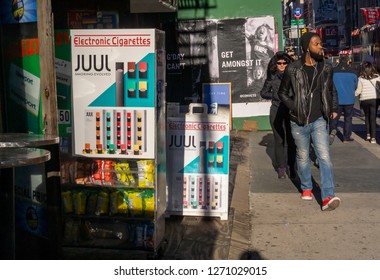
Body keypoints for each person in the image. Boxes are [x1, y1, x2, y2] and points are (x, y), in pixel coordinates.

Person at [278, 32, 340, 211]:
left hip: (319, 118)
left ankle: (328, 196)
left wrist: (333, 108)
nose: (321, 47)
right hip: (298, 120)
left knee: (324, 156)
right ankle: (306, 187)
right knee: (303, 156)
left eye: (321, 44)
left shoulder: (326, 68)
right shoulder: (293, 69)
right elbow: (282, 92)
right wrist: (294, 106)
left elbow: (331, 90)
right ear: (307, 47)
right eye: (316, 44)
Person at [260, 51, 296, 179]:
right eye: (279, 63)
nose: (281, 65)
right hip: (276, 110)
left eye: (284, 63)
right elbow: (263, 93)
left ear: (288, 64)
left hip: (290, 111)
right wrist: (276, 96)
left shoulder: (293, 77)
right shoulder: (272, 77)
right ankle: (281, 167)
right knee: (279, 140)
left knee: (291, 140)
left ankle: (292, 167)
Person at [329, 55, 358, 144]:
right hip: (349, 99)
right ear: (348, 62)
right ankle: (346, 137)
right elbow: (355, 86)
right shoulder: (353, 72)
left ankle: (332, 130)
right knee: (348, 118)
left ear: (338, 61)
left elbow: (330, 85)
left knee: (334, 117)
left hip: (336, 99)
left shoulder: (333, 72)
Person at [355, 56, 380, 144]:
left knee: (367, 117)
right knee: (373, 118)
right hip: (375, 99)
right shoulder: (377, 77)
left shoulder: (361, 78)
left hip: (365, 100)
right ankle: (373, 138)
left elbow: (358, 91)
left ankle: (368, 134)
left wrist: (353, 94)